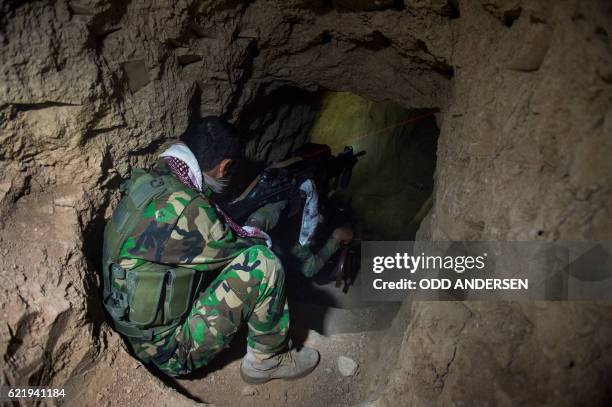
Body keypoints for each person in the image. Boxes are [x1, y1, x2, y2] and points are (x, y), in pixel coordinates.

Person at [102, 116, 319, 383]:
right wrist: (267, 215)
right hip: (166, 352)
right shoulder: (188, 209)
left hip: (127, 329)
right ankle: (268, 362)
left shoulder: (152, 179)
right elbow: (244, 247)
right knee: (263, 264)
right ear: (224, 166)